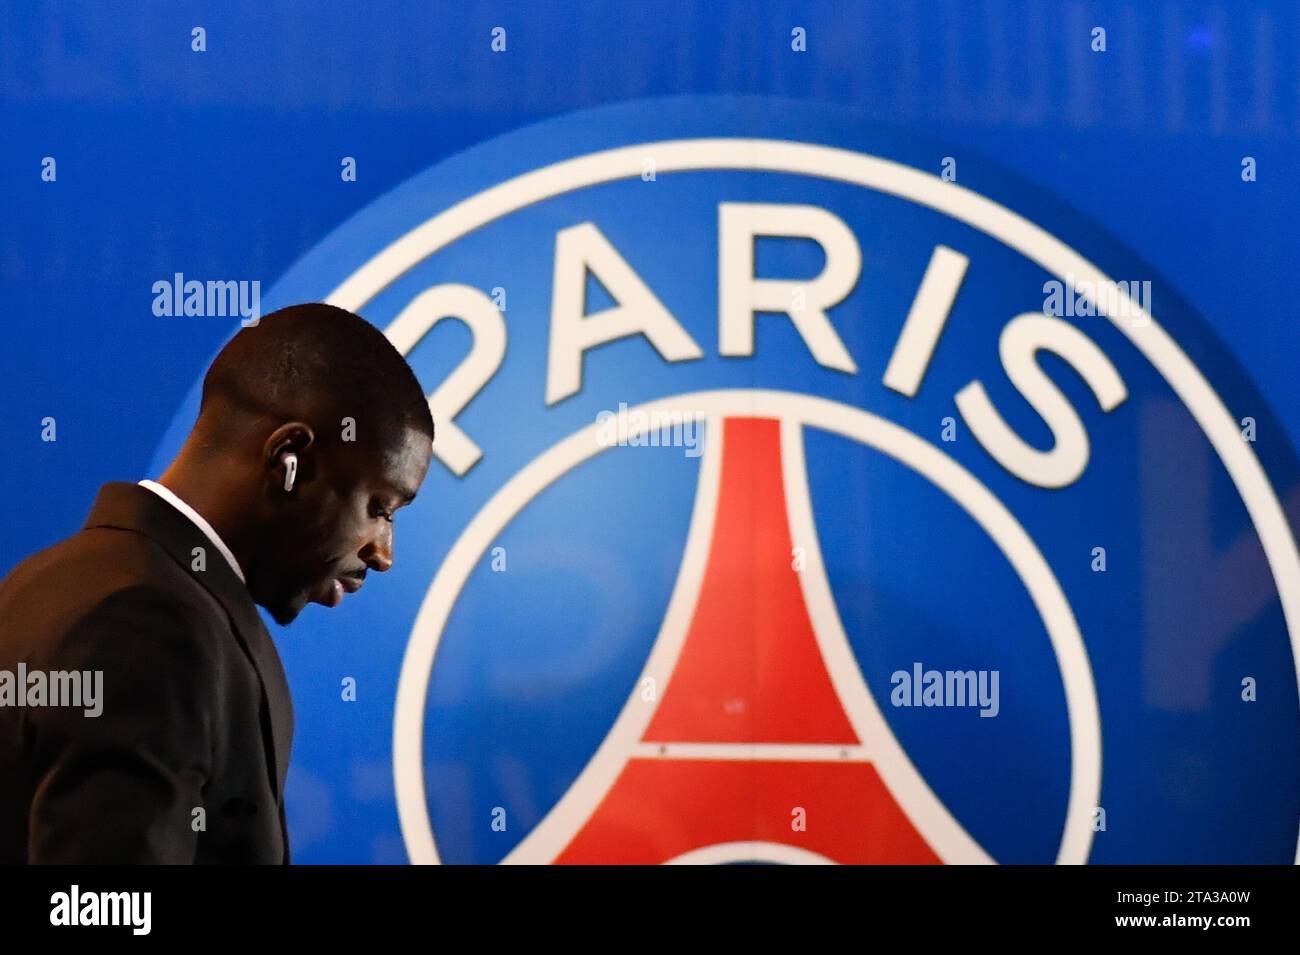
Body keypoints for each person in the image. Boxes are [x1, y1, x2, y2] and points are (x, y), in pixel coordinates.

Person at [0, 303, 434, 863]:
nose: (382, 553)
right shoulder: (147, 626)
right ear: (289, 460)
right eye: (381, 506)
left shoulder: (47, 585)